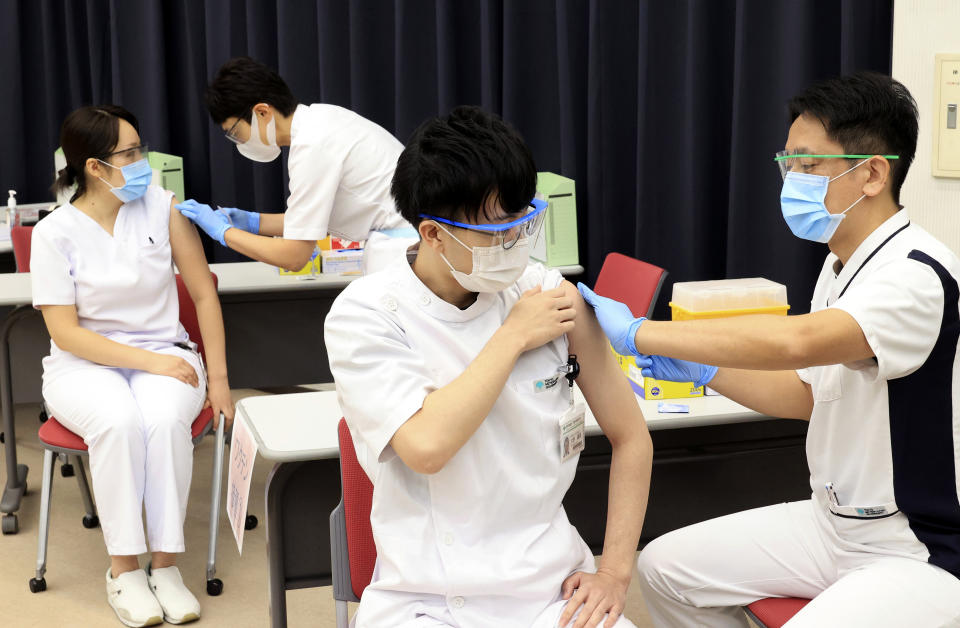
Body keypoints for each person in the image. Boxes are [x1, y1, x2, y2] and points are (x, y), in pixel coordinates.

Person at [580, 72, 960, 626]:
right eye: (789, 163)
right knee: (664, 569)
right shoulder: (841, 267)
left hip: (912, 546)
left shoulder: (916, 275)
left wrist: (642, 332)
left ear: (874, 173)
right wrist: (704, 369)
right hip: (830, 526)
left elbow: (796, 341)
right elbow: (806, 394)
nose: (793, 179)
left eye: (809, 165)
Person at [324, 106, 653, 628]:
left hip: (553, 591)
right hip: (428, 601)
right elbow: (427, 447)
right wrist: (513, 336)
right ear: (433, 234)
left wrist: (614, 572)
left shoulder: (551, 295)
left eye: (522, 222)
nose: (516, 244)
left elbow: (632, 436)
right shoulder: (365, 314)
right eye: (496, 232)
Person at [32, 105, 234, 627]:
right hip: (83, 366)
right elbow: (66, 332)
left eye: (140, 147)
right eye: (131, 152)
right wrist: (151, 362)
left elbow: (203, 295)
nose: (143, 160)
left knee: (165, 421)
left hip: (167, 355)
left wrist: (221, 382)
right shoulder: (55, 233)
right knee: (119, 423)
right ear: (96, 167)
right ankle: (123, 571)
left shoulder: (162, 207)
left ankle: (164, 566)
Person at [175, 56, 416, 274]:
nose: (239, 142)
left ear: (261, 112)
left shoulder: (311, 146)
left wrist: (223, 233)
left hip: (402, 251)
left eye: (236, 133)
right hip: (409, 242)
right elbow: (306, 218)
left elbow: (294, 257)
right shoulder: (322, 118)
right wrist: (253, 222)